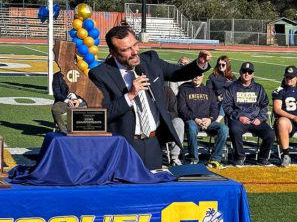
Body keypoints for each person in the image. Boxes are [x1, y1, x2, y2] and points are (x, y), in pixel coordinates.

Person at [89, 25, 211, 170]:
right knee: (127, 189)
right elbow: (102, 114)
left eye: (135, 44)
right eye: (126, 50)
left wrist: (199, 64)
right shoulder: (99, 74)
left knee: (154, 189)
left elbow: (178, 73)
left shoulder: (150, 60)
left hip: (154, 141)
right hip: (125, 144)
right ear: (113, 53)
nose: (134, 52)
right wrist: (130, 95)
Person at [222, 62, 275, 167]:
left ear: (253, 74)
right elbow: (226, 106)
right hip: (239, 120)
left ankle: (262, 158)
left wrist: (260, 118)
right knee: (235, 130)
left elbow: (264, 105)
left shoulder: (259, 88)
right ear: (240, 72)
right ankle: (240, 157)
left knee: (270, 134)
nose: (247, 74)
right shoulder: (232, 88)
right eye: (244, 71)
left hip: (256, 120)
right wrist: (238, 117)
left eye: (249, 72)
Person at [177, 70, 228, 168]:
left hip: (208, 122)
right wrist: (196, 119)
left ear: (203, 76)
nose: (197, 77)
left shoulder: (208, 91)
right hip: (193, 121)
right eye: (195, 75)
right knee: (191, 126)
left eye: (199, 75)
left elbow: (214, 109)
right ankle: (194, 159)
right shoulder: (184, 89)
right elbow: (182, 109)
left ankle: (215, 159)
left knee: (224, 129)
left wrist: (210, 119)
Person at [206, 55, 236, 122]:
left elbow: (236, 90)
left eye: (223, 65)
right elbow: (208, 91)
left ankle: (219, 120)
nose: (220, 66)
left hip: (229, 101)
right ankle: (217, 120)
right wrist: (216, 97)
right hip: (216, 100)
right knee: (223, 102)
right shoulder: (212, 76)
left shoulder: (232, 77)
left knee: (226, 101)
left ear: (227, 65)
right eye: (219, 64)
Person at [163, 85, 184, 166]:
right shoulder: (144, 90)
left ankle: (174, 157)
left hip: (166, 123)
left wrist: (164, 115)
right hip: (149, 123)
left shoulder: (167, 90)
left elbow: (174, 112)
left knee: (178, 121)